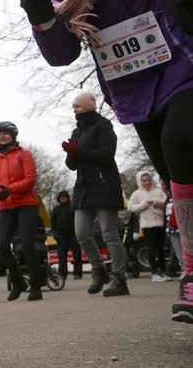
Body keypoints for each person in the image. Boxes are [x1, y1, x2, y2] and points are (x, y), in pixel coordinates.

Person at [20, 0, 193, 323]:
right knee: (175, 177)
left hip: (185, 63)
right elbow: (63, 54)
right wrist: (41, 19)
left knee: (181, 139)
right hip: (132, 87)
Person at [61, 92, 128, 296]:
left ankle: (120, 278)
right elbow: (72, 165)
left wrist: (79, 151)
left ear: (89, 107)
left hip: (105, 186)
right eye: (73, 106)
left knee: (110, 233)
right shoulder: (76, 131)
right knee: (81, 233)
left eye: (78, 106)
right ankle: (100, 270)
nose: (75, 109)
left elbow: (107, 156)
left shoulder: (103, 126)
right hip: (83, 190)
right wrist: (71, 153)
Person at [0, 121, 44, 301]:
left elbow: (30, 179)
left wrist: (9, 189)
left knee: (27, 245)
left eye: (5, 133)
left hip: (26, 204)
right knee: (1, 246)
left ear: (13, 135)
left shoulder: (24, 154)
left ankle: (36, 286)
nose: (1, 136)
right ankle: (18, 282)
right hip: (6, 206)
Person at [128, 170, 171, 282]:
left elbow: (166, 201)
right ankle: (155, 273)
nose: (147, 182)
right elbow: (131, 207)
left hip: (160, 224)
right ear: (140, 182)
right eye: (144, 181)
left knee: (161, 249)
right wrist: (144, 204)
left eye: (149, 180)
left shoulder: (158, 191)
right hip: (147, 225)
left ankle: (163, 271)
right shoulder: (137, 193)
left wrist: (156, 202)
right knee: (152, 249)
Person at [50, 190, 82, 280]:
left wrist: (78, 231)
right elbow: (52, 222)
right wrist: (54, 233)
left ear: (67, 198)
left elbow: (78, 219)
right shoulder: (56, 209)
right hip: (61, 235)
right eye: (61, 197)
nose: (63, 199)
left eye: (64, 197)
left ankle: (77, 273)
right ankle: (62, 274)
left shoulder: (73, 207)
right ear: (59, 199)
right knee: (61, 256)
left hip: (73, 233)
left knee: (77, 253)